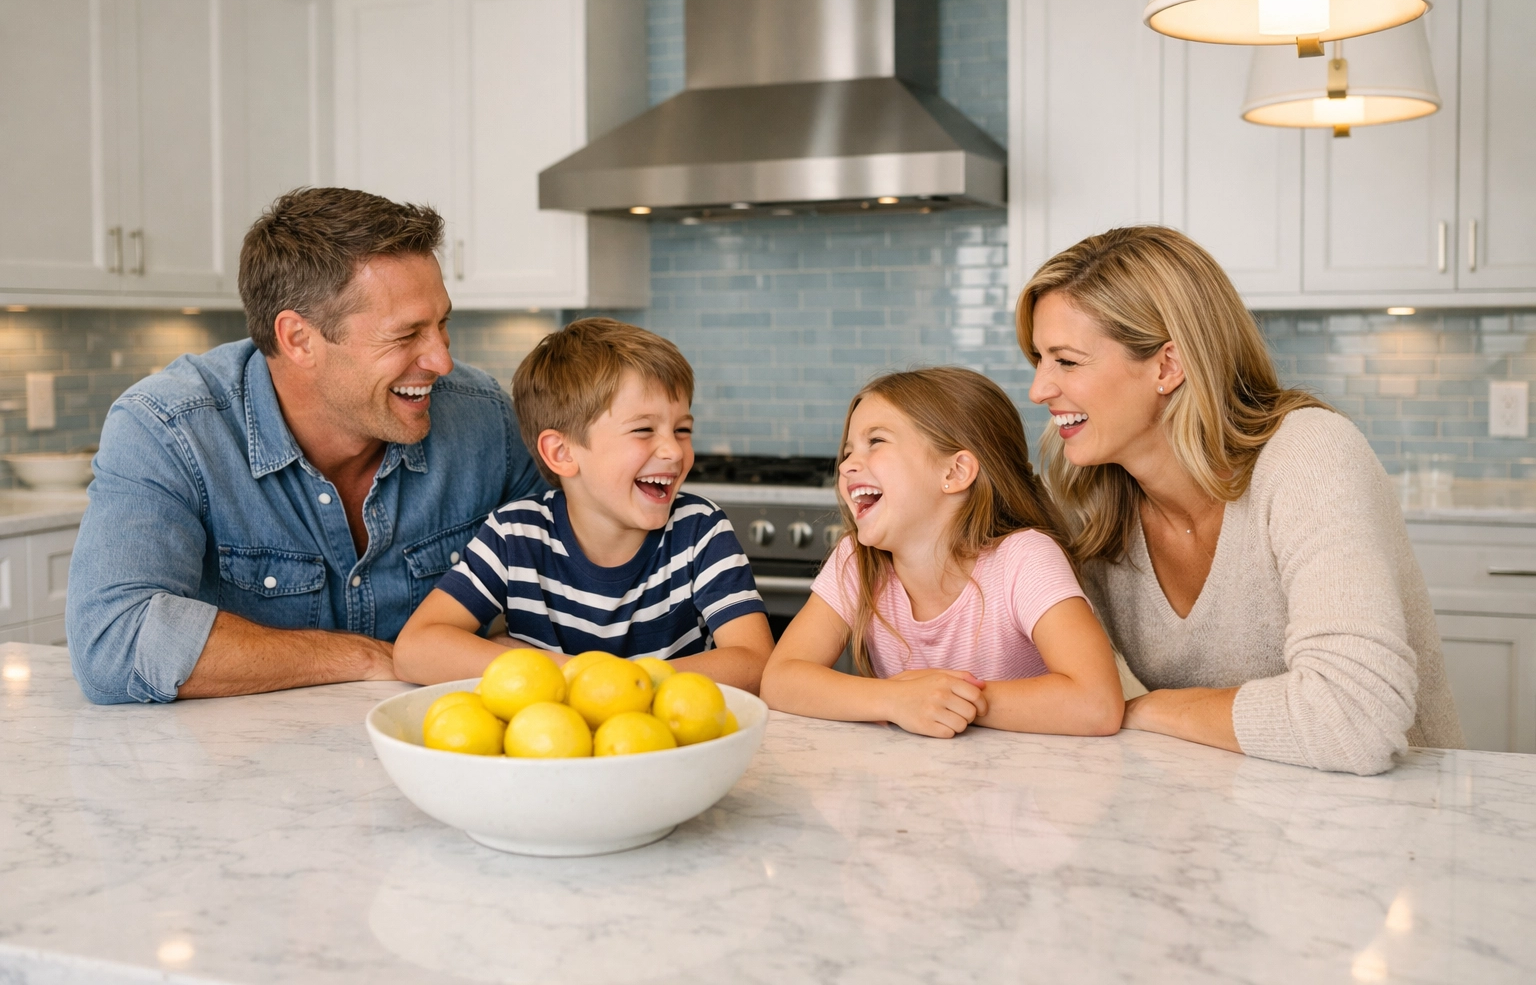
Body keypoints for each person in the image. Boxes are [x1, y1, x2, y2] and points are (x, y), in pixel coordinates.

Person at [66, 187, 542, 704]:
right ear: (298, 339)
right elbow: (115, 640)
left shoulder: (484, 419)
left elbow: (570, 574)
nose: (441, 361)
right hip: (246, 771)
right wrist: (369, 657)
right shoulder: (169, 431)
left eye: (442, 324)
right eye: (406, 335)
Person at [1018, 225, 1463, 775]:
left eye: (1066, 361)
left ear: (1167, 366)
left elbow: (1355, 718)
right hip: (1232, 821)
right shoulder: (1092, 503)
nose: (1039, 389)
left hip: (1393, 824)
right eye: (1038, 360)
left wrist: (1147, 709)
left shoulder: (1308, 455)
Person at [393, 318, 774, 692]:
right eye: (644, 430)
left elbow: (755, 662)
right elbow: (415, 649)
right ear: (561, 453)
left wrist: (618, 683)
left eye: (682, 429)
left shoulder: (700, 531)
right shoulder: (515, 535)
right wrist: (579, 674)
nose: (674, 450)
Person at [758, 367, 1125, 739]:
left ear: (955, 470)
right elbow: (780, 680)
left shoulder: (1024, 560)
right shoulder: (857, 562)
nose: (846, 464)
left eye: (877, 441)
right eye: (849, 450)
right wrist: (894, 699)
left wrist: (946, 700)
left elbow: (1097, 703)